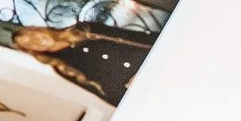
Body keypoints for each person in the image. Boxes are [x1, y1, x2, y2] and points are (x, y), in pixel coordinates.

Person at [9, 23, 152, 104]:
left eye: (32, 34)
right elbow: (101, 90)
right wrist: (129, 91)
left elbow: (131, 36)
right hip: (141, 88)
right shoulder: (61, 68)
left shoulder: (82, 29)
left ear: (39, 29)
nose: (35, 40)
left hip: (151, 61)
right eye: (29, 44)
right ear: (32, 50)